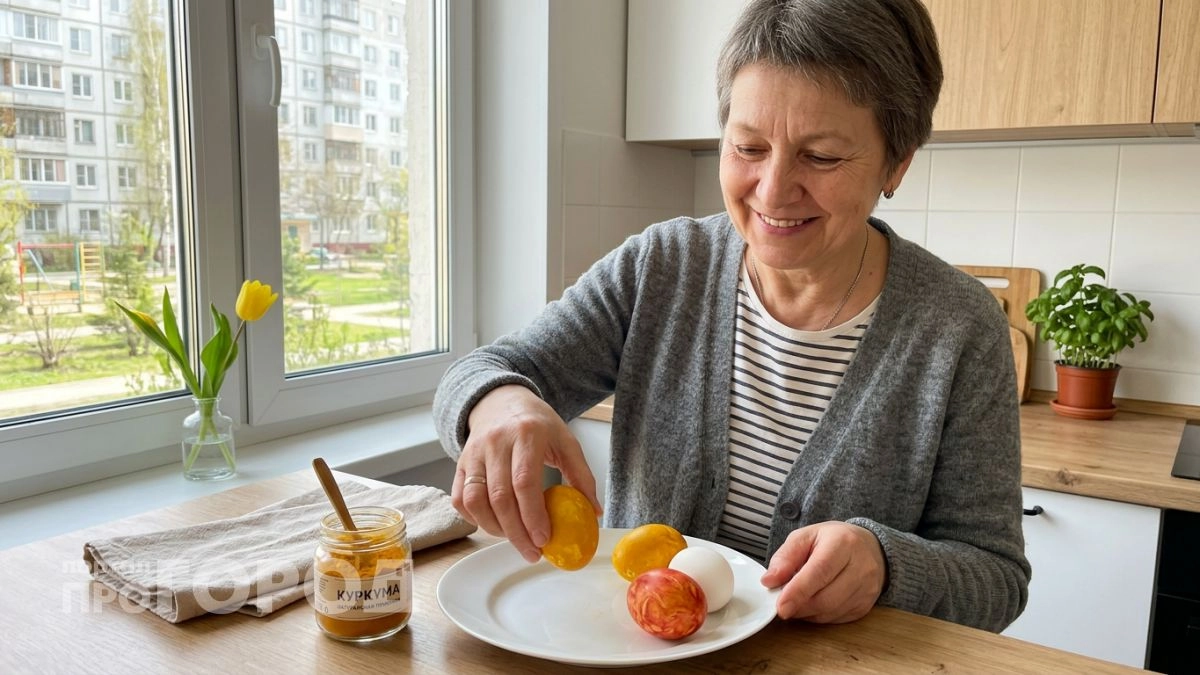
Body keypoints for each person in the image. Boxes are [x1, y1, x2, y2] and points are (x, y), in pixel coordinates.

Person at [433, 0, 1029, 632]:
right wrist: (499, 403)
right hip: (640, 657)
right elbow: (482, 371)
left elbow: (996, 579)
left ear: (897, 162)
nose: (772, 190)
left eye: (822, 156)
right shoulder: (662, 267)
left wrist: (886, 564)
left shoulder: (960, 327)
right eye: (748, 146)